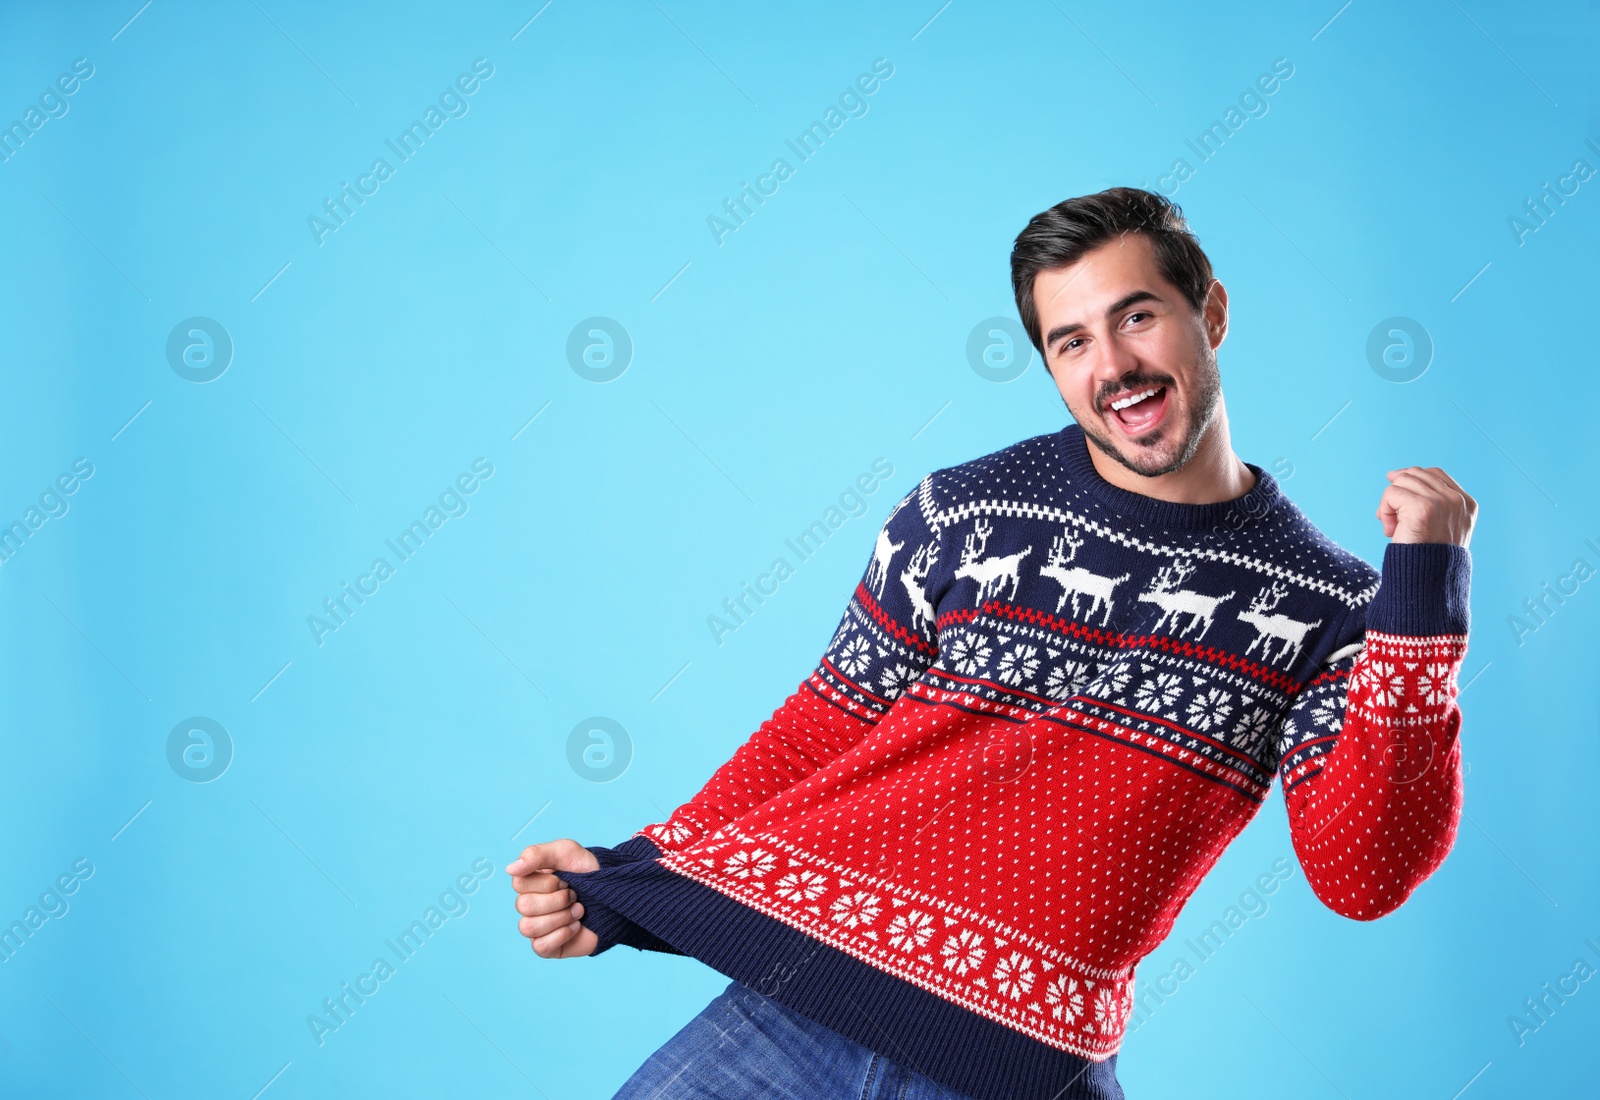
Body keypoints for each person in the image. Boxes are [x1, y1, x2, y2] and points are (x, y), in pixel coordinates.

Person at [505, 187, 1477, 1100]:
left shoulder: (1339, 608)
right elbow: (817, 731)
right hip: (784, 1018)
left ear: (1209, 312)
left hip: (1014, 1074)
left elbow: (1361, 873)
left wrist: (1420, 603)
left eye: (1137, 316)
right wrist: (630, 878)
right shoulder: (960, 512)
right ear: (1051, 366)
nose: (1113, 366)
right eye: (1071, 341)